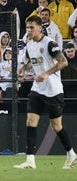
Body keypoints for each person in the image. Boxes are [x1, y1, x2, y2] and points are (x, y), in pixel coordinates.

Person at [14, 15, 77, 169]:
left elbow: (64, 62)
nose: (29, 30)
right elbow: (33, 62)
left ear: (39, 27)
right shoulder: (29, 45)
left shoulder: (50, 43)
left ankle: (71, 153)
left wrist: (46, 74)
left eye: (31, 27)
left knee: (56, 126)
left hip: (53, 90)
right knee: (30, 122)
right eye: (27, 27)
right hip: (38, 89)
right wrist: (23, 68)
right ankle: (30, 161)